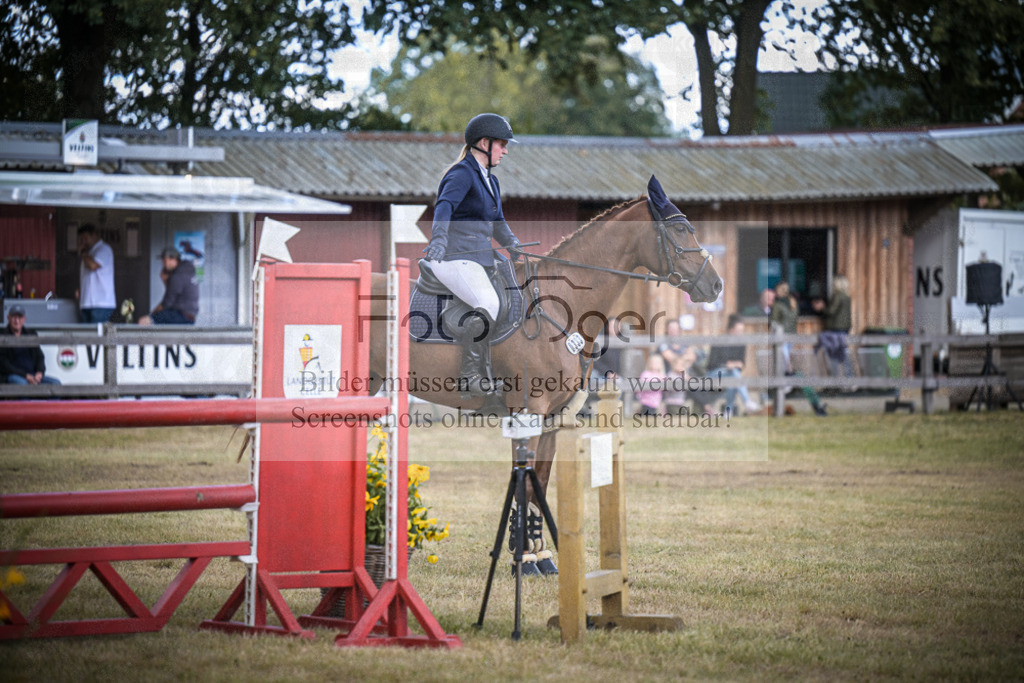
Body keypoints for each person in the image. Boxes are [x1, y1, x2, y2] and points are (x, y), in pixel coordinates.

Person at [422, 113, 522, 399]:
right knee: (488, 302)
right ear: (484, 143)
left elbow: (497, 222)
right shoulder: (462, 173)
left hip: (479, 258)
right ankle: (469, 377)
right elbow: (444, 207)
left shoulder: (491, 181)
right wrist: (438, 240)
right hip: (452, 257)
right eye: (502, 144)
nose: (505, 150)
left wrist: (512, 243)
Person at [706, 313, 760, 415]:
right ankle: (746, 401)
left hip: (731, 374)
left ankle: (729, 411)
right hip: (714, 374)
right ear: (731, 330)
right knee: (734, 374)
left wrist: (733, 365)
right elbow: (712, 363)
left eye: (742, 331)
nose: (741, 333)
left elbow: (741, 364)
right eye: (739, 331)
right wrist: (726, 365)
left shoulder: (741, 344)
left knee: (733, 376)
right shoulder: (719, 341)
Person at [1, 305, 61, 386]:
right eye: (14, 317)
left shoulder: (31, 334)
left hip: (33, 374)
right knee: (23, 385)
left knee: (56, 383)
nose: (17, 321)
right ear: (8, 318)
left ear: (24, 319)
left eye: (20, 317)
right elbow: (4, 364)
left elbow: (40, 357)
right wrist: (25, 376)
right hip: (14, 375)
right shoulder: (3, 336)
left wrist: (39, 373)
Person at [138, 247, 199, 325]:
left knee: (144, 321)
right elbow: (173, 296)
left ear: (173, 259)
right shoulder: (187, 269)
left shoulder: (177, 276)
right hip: (189, 314)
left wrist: (151, 315)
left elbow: (166, 303)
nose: (163, 264)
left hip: (181, 314)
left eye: (164, 260)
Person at [814, 275, 853, 378]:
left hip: (836, 327)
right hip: (845, 327)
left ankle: (834, 378)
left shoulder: (837, 295)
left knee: (833, 353)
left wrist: (822, 307)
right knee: (843, 352)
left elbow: (831, 311)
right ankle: (849, 377)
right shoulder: (847, 295)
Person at [77, 224, 116, 323]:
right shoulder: (88, 253)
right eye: (81, 240)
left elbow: (93, 265)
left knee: (96, 331)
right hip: (87, 302)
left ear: (94, 235)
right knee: (86, 332)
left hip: (101, 303)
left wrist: (83, 252)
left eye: (86, 238)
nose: (84, 242)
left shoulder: (104, 249)